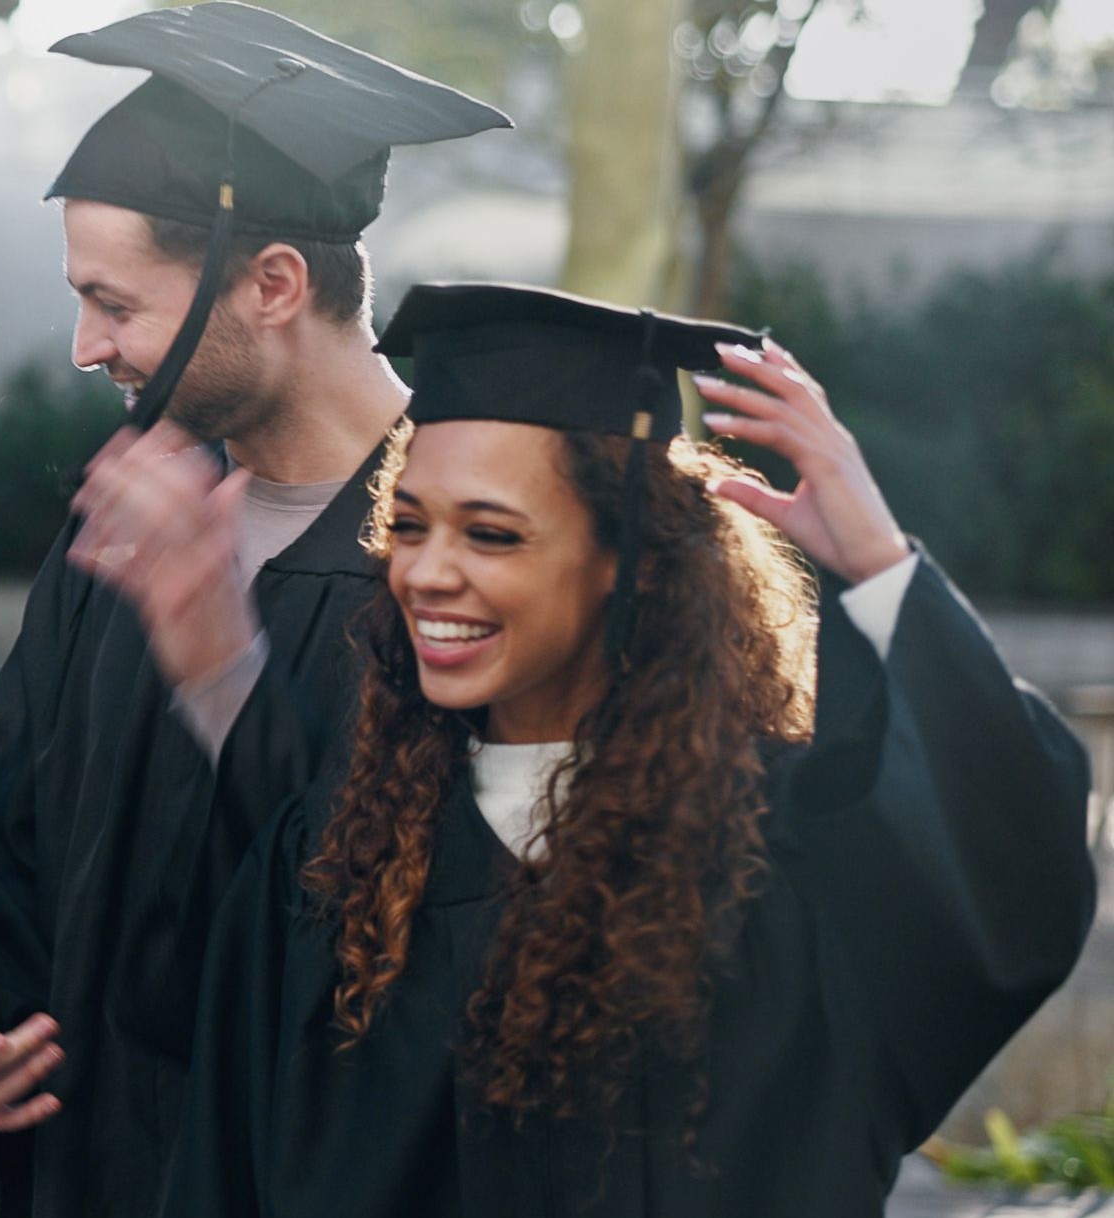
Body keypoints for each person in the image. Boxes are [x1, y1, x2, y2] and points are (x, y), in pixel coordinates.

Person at [159, 283, 1096, 1217]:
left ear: (632, 561)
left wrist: (880, 563)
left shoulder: (783, 860)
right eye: (408, 525)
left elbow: (1016, 878)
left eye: (491, 534)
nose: (428, 573)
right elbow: (225, 1171)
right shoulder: (342, 867)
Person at [0, 5, 509, 1214]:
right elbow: (24, 850)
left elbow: (441, 938)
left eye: (115, 304)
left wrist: (226, 670)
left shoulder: (473, 557)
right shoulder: (129, 527)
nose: (85, 347)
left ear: (273, 283)